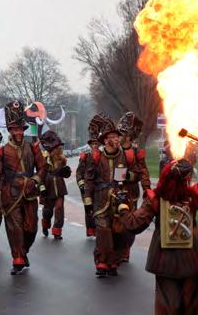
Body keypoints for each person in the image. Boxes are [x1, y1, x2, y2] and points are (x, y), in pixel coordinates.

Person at [118, 150, 198, 314]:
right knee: (193, 306)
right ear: (185, 179)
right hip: (191, 259)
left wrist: (122, 208)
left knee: (168, 307)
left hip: (164, 261)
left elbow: (134, 225)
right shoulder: (194, 195)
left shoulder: (155, 199)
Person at [0, 100, 46, 275]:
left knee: (31, 228)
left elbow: (43, 168)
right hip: (11, 195)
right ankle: (18, 258)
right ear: (10, 131)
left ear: (24, 130)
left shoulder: (33, 147)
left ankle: (24, 251)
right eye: (14, 129)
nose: (18, 132)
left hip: (30, 193)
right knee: (15, 228)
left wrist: (36, 180)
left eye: (20, 129)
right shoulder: (1, 152)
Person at [83, 114, 136, 277]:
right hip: (101, 200)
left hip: (119, 200)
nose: (115, 139)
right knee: (103, 231)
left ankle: (113, 262)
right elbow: (89, 179)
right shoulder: (96, 157)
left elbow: (137, 174)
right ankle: (101, 262)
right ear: (105, 140)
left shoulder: (125, 155)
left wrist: (129, 177)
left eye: (116, 136)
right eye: (111, 137)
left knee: (119, 232)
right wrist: (88, 201)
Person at [117, 112, 151, 262]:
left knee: (128, 225)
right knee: (114, 225)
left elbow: (143, 172)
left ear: (129, 136)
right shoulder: (113, 150)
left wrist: (147, 189)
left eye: (122, 133)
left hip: (130, 194)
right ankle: (114, 252)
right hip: (113, 193)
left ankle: (125, 250)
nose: (119, 136)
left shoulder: (136, 153)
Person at [39, 131, 71, 240]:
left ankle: (57, 232)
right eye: (57, 149)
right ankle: (45, 225)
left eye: (60, 148)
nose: (59, 150)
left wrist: (66, 172)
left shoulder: (62, 160)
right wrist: (42, 189)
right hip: (48, 190)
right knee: (47, 211)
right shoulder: (43, 162)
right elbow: (40, 177)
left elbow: (65, 175)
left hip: (60, 190)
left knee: (59, 209)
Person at [76, 115, 102, 237]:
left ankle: (98, 229)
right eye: (93, 144)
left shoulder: (103, 156)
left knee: (99, 208)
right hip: (87, 188)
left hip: (99, 186)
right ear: (90, 145)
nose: (95, 145)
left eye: (97, 143)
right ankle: (90, 229)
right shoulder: (85, 157)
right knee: (89, 208)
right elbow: (79, 172)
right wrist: (81, 185)